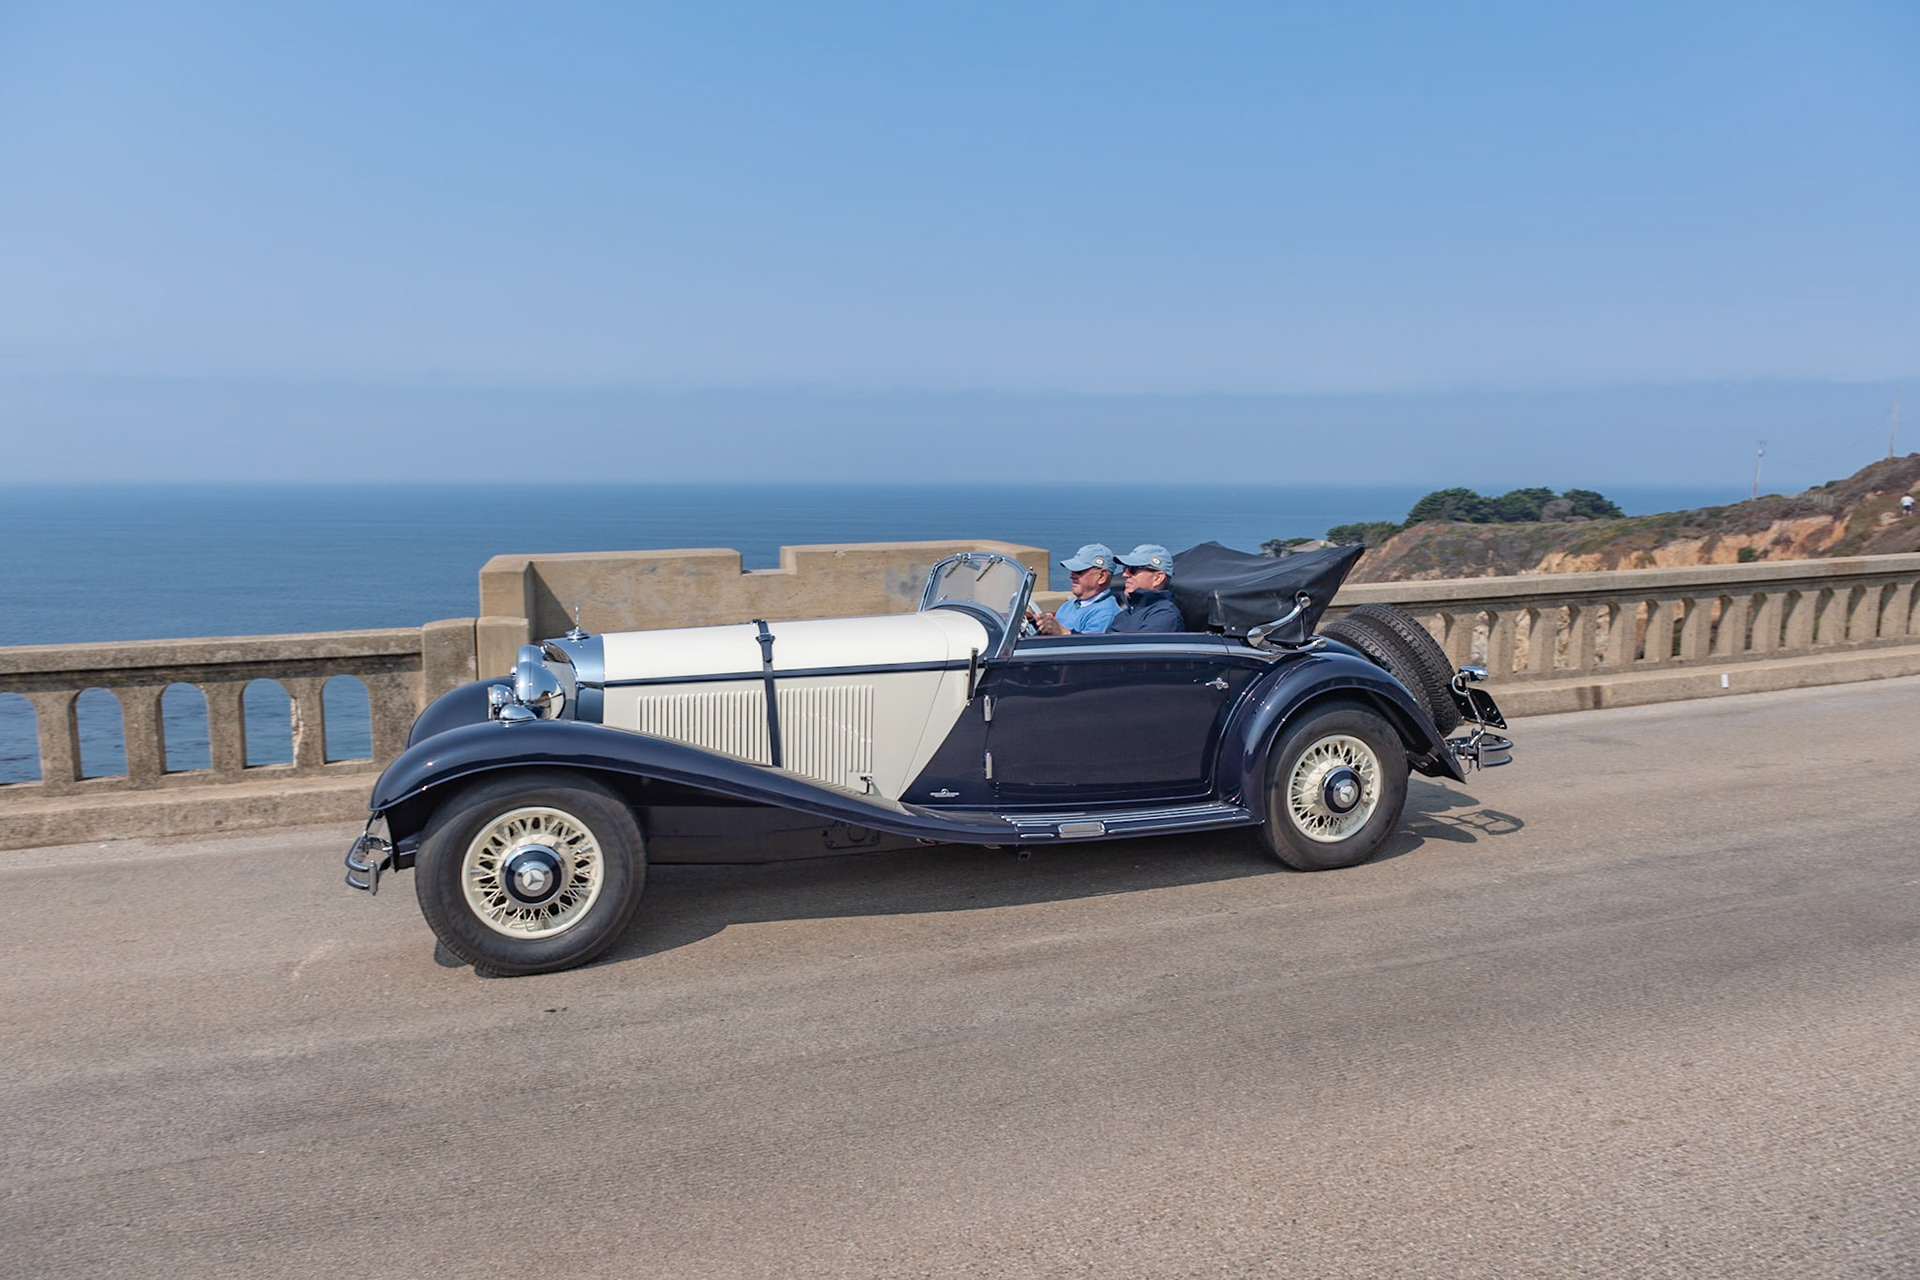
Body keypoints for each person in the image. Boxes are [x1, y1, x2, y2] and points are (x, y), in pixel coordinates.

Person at [1035, 544, 1120, 635]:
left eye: (1079, 572)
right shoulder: (1068, 606)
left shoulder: (1106, 613)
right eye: (1072, 571)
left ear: (1102, 576)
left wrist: (1063, 632)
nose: (1071, 576)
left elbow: (1089, 646)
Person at [1109, 545, 1184, 633]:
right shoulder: (1124, 614)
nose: (1125, 574)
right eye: (1125, 568)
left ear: (1158, 578)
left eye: (1132, 569)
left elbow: (1141, 646)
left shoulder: (1165, 616)